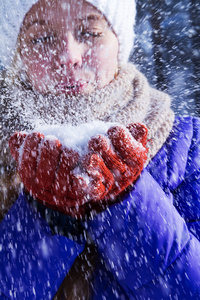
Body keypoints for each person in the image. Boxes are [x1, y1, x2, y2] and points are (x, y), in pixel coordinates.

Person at [0, 0, 200, 299]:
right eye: (42, 38)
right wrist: (46, 215)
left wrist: (126, 200)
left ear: (119, 42)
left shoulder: (188, 146)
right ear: (18, 54)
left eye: (90, 32)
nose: (69, 56)